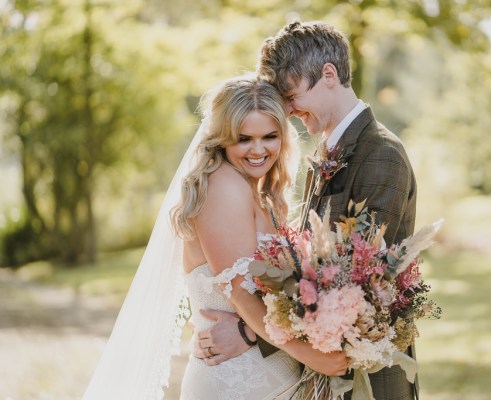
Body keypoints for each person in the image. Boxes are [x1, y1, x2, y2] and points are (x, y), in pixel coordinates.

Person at [82, 75, 348, 400]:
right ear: (222, 138)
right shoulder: (224, 187)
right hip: (236, 382)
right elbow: (239, 292)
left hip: (264, 375)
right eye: (244, 138)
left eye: (269, 136)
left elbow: (275, 298)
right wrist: (314, 357)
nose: (258, 149)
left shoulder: (257, 191)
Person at [194, 21, 419, 400]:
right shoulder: (326, 151)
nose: (289, 111)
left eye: (292, 95)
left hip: (368, 377)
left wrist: (248, 334)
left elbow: (353, 285)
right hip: (323, 372)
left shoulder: (380, 154)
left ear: (328, 75)